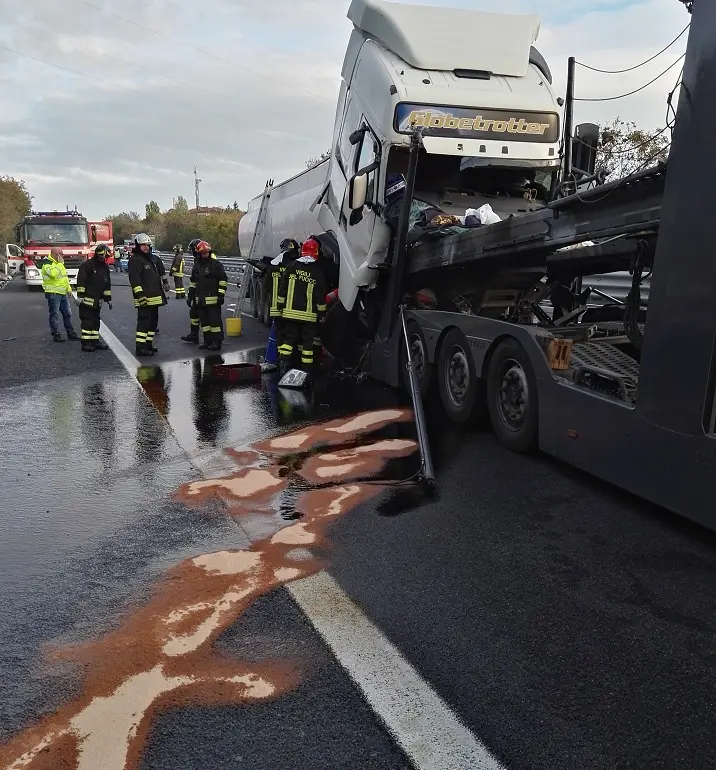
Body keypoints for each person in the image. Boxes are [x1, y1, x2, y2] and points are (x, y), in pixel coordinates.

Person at [277, 236, 327, 374]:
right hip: (308, 316)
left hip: (290, 314)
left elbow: (282, 289)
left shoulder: (291, 267)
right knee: (307, 344)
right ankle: (306, 372)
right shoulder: (317, 272)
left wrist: (280, 306)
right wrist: (322, 313)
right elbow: (320, 296)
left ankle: (283, 367)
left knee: (289, 340)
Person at [128, 233, 167, 357]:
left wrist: (165, 282)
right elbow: (135, 280)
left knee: (152, 323)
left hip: (155, 298)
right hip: (144, 298)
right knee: (144, 323)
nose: (145, 247)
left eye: (147, 245)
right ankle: (140, 347)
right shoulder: (135, 260)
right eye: (143, 245)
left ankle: (148, 344)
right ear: (138, 246)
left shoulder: (151, 258)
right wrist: (140, 296)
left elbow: (160, 272)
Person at [188, 240, 228, 351]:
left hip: (213, 300)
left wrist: (221, 295)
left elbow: (223, 280)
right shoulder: (197, 265)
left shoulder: (215, 265)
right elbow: (193, 282)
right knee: (205, 323)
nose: (205, 254)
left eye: (207, 252)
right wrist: (190, 296)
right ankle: (207, 341)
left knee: (214, 322)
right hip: (200, 300)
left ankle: (217, 342)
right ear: (199, 253)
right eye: (203, 253)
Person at [76, 244, 112, 352]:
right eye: (101, 255)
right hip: (87, 299)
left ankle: (95, 341)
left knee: (96, 321)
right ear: (96, 254)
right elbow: (81, 281)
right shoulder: (87, 265)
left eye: (105, 256)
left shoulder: (105, 267)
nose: (103, 258)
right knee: (88, 321)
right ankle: (86, 343)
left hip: (98, 301)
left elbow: (107, 284)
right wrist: (80, 296)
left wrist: (108, 299)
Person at [41, 247, 79, 343]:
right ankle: (55, 334)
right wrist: (60, 264)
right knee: (54, 314)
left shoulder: (59, 264)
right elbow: (53, 274)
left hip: (62, 293)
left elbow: (64, 277)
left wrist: (69, 289)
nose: (62, 256)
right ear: (55, 254)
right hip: (53, 293)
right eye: (61, 254)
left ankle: (70, 333)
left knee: (67, 314)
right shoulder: (47, 263)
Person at [181, 238, 203, 344]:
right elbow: (194, 280)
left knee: (208, 319)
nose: (192, 253)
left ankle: (212, 341)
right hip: (198, 293)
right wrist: (190, 296)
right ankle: (194, 335)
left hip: (206, 294)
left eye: (192, 250)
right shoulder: (198, 260)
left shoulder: (208, 259)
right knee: (194, 313)